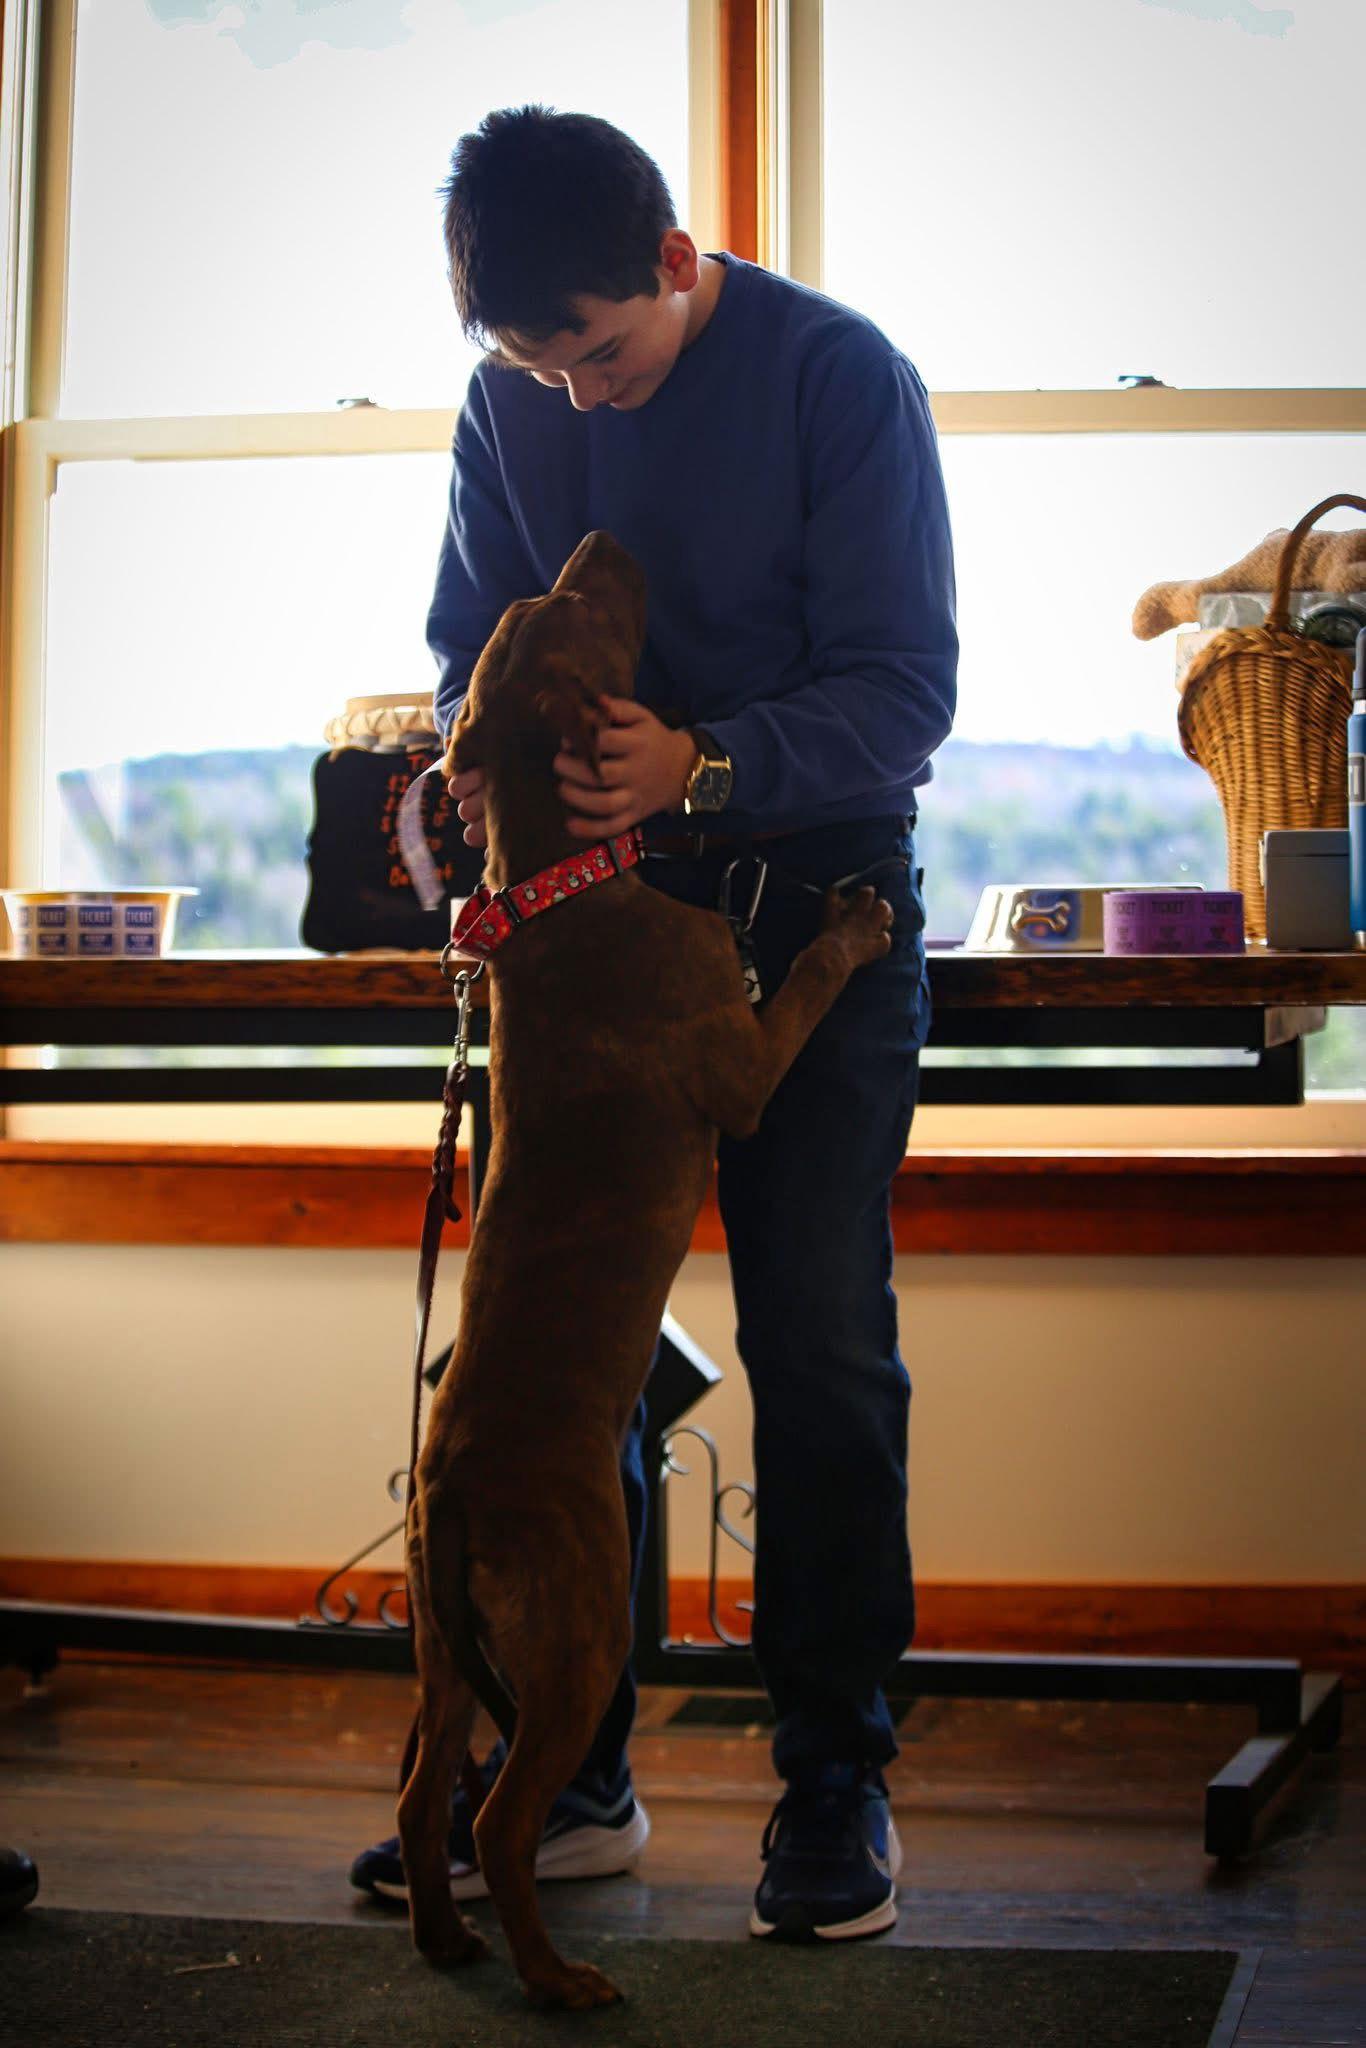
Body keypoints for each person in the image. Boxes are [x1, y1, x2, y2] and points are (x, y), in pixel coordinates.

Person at [350, 104, 957, 1945]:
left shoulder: (841, 379)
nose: (579, 403)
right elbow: (473, 641)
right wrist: (447, 787)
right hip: (580, 935)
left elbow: (903, 687)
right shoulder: (513, 398)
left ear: (679, 265)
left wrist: (706, 762)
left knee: (820, 1342)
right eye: (539, 370)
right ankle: (569, 1765)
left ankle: (835, 1778)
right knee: (561, 1360)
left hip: (799, 906)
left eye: (602, 354)